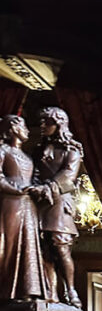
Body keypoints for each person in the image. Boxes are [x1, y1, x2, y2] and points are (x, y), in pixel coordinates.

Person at [34, 107, 83, 309]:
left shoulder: (72, 150)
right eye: (42, 122)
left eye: (48, 122)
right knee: (43, 249)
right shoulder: (38, 149)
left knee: (61, 247)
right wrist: (34, 184)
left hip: (59, 202)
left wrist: (46, 187)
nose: (43, 126)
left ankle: (71, 290)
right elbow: (34, 171)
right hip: (38, 204)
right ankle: (50, 292)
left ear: (59, 124)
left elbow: (68, 175)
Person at [0, 115, 48, 301]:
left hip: (29, 203)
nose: (28, 130)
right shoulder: (3, 150)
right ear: (13, 128)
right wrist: (17, 189)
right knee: (10, 245)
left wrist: (38, 189)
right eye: (24, 126)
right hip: (11, 203)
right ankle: (6, 291)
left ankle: (27, 290)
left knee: (29, 244)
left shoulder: (27, 155)